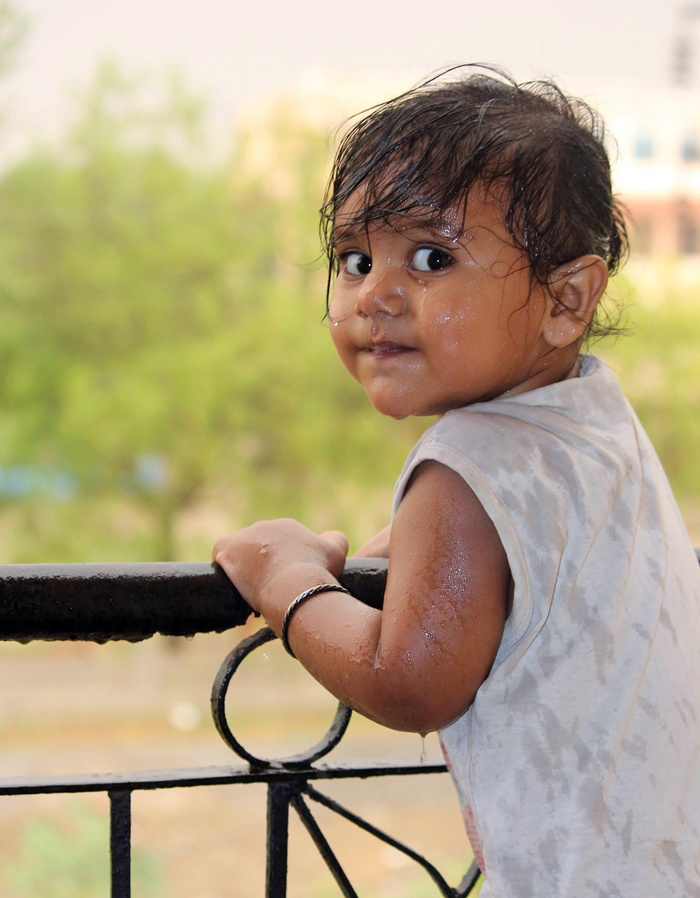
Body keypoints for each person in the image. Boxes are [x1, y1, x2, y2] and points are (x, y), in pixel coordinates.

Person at [213, 66, 700, 896]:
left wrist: (284, 578)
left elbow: (411, 680)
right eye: (356, 258)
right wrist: (406, 557)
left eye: (432, 257)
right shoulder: (592, 419)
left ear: (566, 299)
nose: (376, 295)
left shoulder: (468, 460)